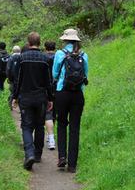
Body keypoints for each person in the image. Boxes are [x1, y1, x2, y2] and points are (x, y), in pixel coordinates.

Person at [12, 32, 54, 170]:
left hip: (26, 96)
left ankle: (29, 153)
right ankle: (37, 154)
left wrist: (15, 96)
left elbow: (17, 79)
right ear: (40, 43)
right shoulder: (44, 58)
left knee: (26, 126)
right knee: (39, 125)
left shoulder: (22, 58)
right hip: (41, 97)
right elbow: (48, 80)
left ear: (28, 43)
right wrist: (50, 98)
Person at [53, 29, 89, 173]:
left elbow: (55, 73)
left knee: (62, 124)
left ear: (64, 40)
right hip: (77, 95)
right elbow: (85, 75)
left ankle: (62, 157)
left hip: (62, 93)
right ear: (77, 41)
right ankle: (73, 164)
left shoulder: (60, 54)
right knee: (75, 128)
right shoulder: (84, 55)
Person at [44, 39, 57, 150]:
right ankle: (50, 134)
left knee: (48, 113)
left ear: (45, 48)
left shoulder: (43, 58)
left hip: (46, 88)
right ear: (55, 48)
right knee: (55, 113)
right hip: (58, 87)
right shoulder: (59, 57)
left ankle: (50, 137)